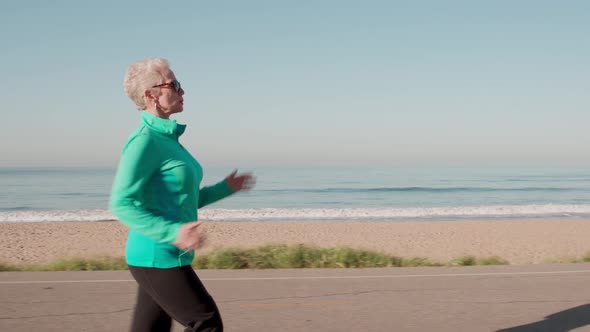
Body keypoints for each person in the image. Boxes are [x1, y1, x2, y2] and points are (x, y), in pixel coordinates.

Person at [110, 58, 255, 332]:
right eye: (174, 85)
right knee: (206, 323)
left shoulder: (168, 141)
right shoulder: (144, 142)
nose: (182, 91)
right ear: (151, 95)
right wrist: (173, 233)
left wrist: (226, 187)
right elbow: (121, 204)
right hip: (156, 255)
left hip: (161, 257)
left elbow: (185, 200)